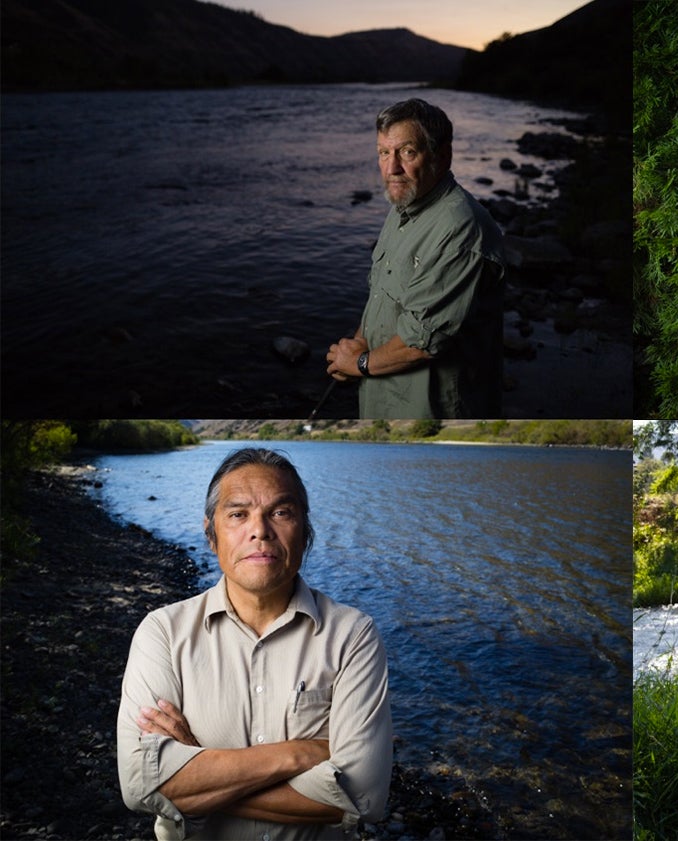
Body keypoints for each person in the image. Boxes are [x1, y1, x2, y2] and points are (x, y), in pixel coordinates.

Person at [117, 448, 392, 840]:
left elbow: (363, 796)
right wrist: (302, 753)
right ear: (211, 536)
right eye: (237, 514)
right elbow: (138, 785)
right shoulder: (162, 632)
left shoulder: (352, 636)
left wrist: (199, 770)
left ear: (306, 533)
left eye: (281, 512)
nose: (260, 530)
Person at [326, 98, 506, 419]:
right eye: (384, 153)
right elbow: (381, 297)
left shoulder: (460, 228)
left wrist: (358, 364)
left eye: (407, 152)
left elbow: (420, 343)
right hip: (381, 399)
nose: (392, 168)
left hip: (430, 411)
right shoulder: (403, 207)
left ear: (442, 155)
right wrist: (352, 349)